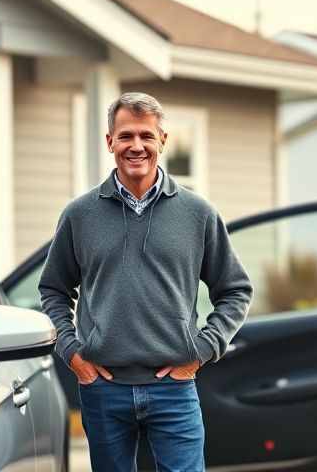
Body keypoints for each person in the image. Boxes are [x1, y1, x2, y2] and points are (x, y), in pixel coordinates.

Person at [38, 92, 252, 471]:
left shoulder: (198, 214)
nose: (136, 146)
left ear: (162, 141)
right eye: (125, 136)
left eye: (146, 136)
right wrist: (72, 354)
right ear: (110, 142)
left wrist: (201, 350)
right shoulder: (79, 215)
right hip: (103, 389)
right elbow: (53, 290)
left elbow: (235, 290)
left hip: (175, 389)